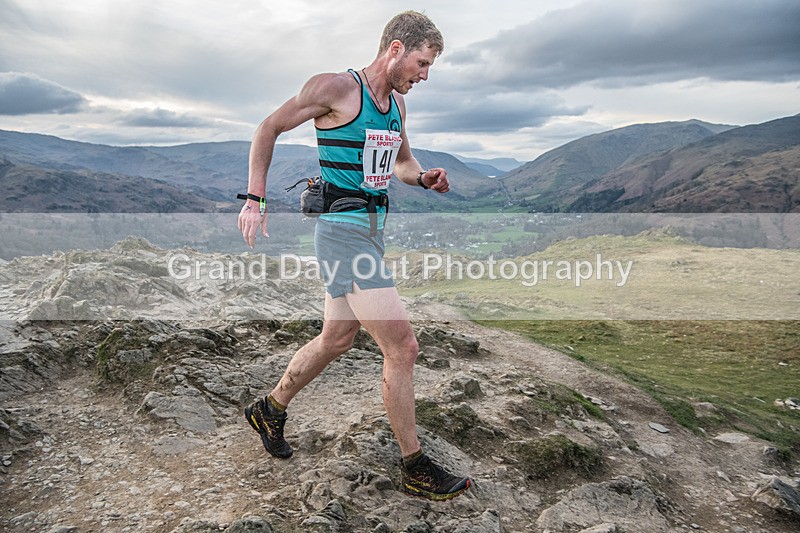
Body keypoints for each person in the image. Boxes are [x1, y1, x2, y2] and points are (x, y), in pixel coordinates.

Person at [237, 11, 471, 501]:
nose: (424, 75)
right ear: (396, 49)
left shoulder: (397, 108)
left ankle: (270, 408)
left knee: (337, 338)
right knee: (403, 348)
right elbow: (268, 128)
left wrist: (424, 177)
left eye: (429, 68)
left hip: (373, 228)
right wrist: (256, 198)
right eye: (423, 63)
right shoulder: (336, 89)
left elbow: (403, 163)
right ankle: (414, 464)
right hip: (342, 233)